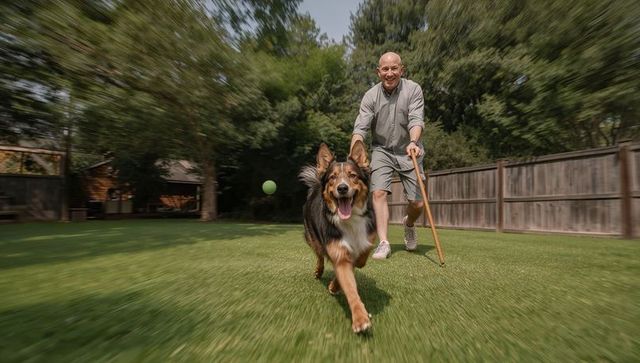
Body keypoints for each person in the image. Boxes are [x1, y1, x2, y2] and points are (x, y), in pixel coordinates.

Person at [350, 51, 425, 260]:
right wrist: (354, 152)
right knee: (378, 193)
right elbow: (360, 128)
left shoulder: (413, 90)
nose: (390, 73)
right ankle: (384, 242)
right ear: (378, 72)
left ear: (401, 69)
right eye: (385, 69)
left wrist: (413, 142)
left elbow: (416, 120)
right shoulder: (370, 96)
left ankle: (408, 224)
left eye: (394, 68)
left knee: (417, 203)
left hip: (409, 149)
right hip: (382, 149)